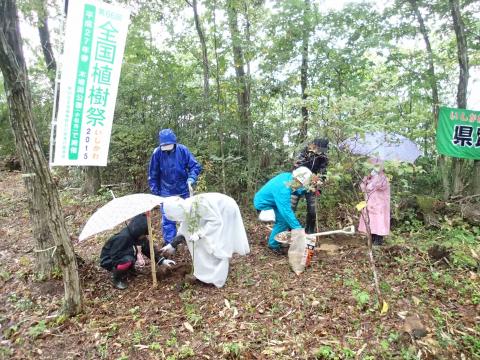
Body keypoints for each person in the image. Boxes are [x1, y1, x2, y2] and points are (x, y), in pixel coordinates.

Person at [160, 193, 250, 288]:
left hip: (225, 210)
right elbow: (184, 230)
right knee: (203, 242)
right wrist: (172, 245)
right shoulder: (187, 208)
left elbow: (216, 221)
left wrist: (199, 234)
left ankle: (217, 278)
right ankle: (206, 273)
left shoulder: (199, 205)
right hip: (217, 214)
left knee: (219, 244)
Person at [148, 128, 202, 245]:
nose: (167, 147)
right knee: (168, 219)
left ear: (174, 142)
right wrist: (156, 192)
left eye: (169, 145)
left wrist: (191, 178)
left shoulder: (182, 150)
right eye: (164, 145)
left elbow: (195, 166)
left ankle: (189, 240)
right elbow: (153, 174)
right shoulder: (157, 153)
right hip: (165, 192)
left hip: (183, 190)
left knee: (188, 215)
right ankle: (171, 244)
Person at [100, 214, 175, 289]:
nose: (144, 236)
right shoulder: (123, 238)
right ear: (138, 232)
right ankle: (117, 279)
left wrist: (161, 260)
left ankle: (128, 269)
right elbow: (115, 255)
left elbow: (148, 249)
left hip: (123, 256)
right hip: (109, 260)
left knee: (132, 254)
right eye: (143, 234)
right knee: (128, 258)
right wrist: (133, 254)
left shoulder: (138, 237)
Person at [253, 166, 313, 254]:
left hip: (273, 201)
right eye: (302, 184)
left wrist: (305, 190)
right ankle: (273, 245)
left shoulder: (288, 177)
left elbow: (295, 188)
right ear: (297, 179)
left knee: (284, 221)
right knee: (283, 221)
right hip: (264, 205)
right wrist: (298, 229)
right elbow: (286, 212)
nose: (301, 186)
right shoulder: (283, 190)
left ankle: (274, 243)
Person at [291, 138, 329, 234]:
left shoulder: (324, 157)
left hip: (312, 184)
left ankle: (310, 232)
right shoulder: (304, 151)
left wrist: (319, 181)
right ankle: (289, 230)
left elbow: (323, 172)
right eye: (320, 148)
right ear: (314, 145)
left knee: (312, 210)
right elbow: (297, 166)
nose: (321, 151)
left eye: (323, 149)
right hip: (298, 181)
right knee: (291, 207)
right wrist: (308, 175)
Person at [358, 159, 390, 246]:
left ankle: (379, 240)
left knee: (379, 221)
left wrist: (373, 180)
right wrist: (367, 179)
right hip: (370, 203)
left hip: (380, 204)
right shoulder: (369, 176)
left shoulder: (383, 178)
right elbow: (362, 187)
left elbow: (379, 186)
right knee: (371, 220)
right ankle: (371, 238)